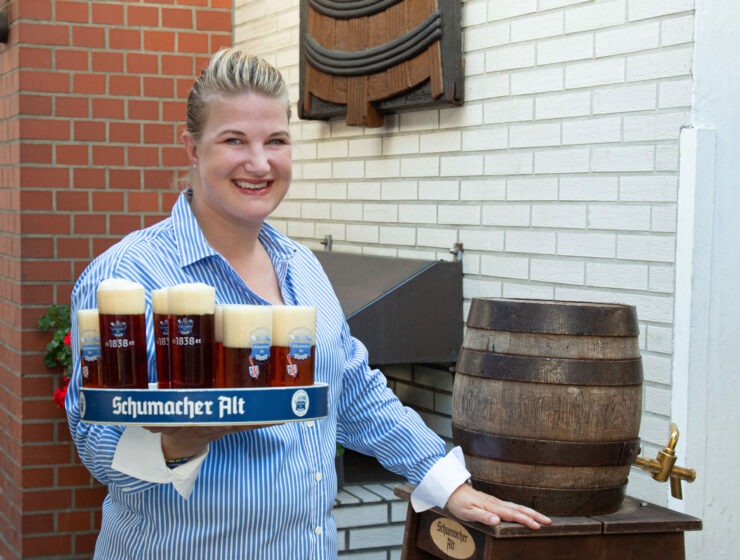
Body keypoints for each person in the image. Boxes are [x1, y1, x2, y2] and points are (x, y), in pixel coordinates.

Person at [65, 47, 550, 559]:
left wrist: (445, 482)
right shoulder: (128, 275)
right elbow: (97, 447)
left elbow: (354, 391)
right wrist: (181, 440)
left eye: (275, 141)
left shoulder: (302, 267)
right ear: (191, 148)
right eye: (234, 140)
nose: (259, 163)